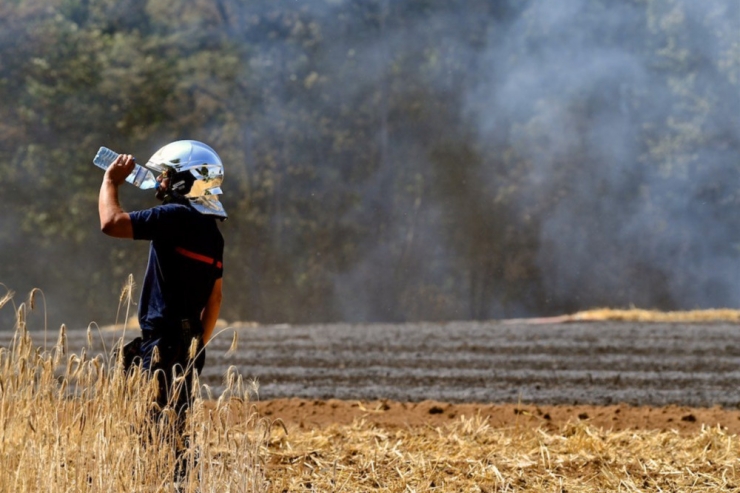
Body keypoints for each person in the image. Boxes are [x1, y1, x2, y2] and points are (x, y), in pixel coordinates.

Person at [98, 140, 227, 468]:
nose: (160, 182)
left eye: (168, 176)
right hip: (190, 343)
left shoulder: (174, 217)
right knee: (178, 431)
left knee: (154, 435)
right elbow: (215, 298)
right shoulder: (213, 233)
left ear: (187, 180)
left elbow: (111, 223)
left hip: (162, 342)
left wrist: (111, 181)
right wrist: (196, 346)